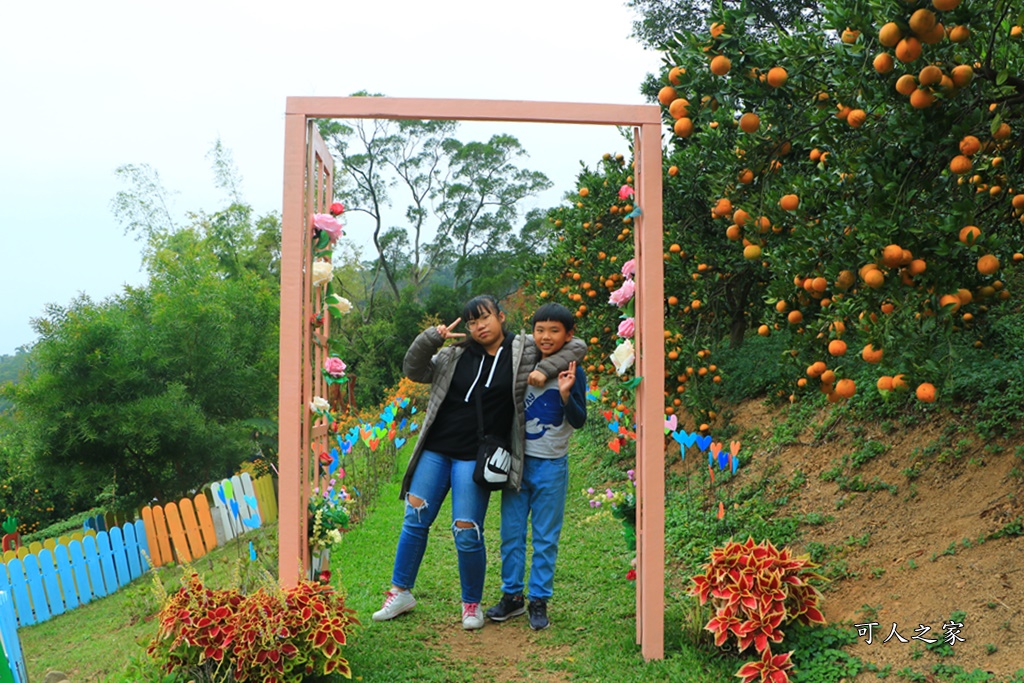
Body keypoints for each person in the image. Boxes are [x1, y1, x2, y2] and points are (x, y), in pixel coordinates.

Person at [372, 295, 586, 630]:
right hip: (437, 448)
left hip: (477, 454)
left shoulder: (523, 349)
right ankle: (400, 592)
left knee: (466, 530)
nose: (478, 326)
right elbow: (413, 370)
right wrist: (432, 338)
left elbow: (575, 347)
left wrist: (544, 371)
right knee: (415, 518)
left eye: (485, 318)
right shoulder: (453, 354)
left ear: (501, 317)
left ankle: (471, 604)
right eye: (472, 322)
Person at [485, 303, 587, 630]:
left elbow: (579, 420)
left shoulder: (574, 371)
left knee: (545, 536)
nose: (546, 337)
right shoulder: (522, 364)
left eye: (554, 330)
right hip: (518, 464)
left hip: (552, 466)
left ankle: (539, 599)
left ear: (568, 335)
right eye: (540, 330)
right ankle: (512, 596)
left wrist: (567, 395)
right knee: (511, 534)